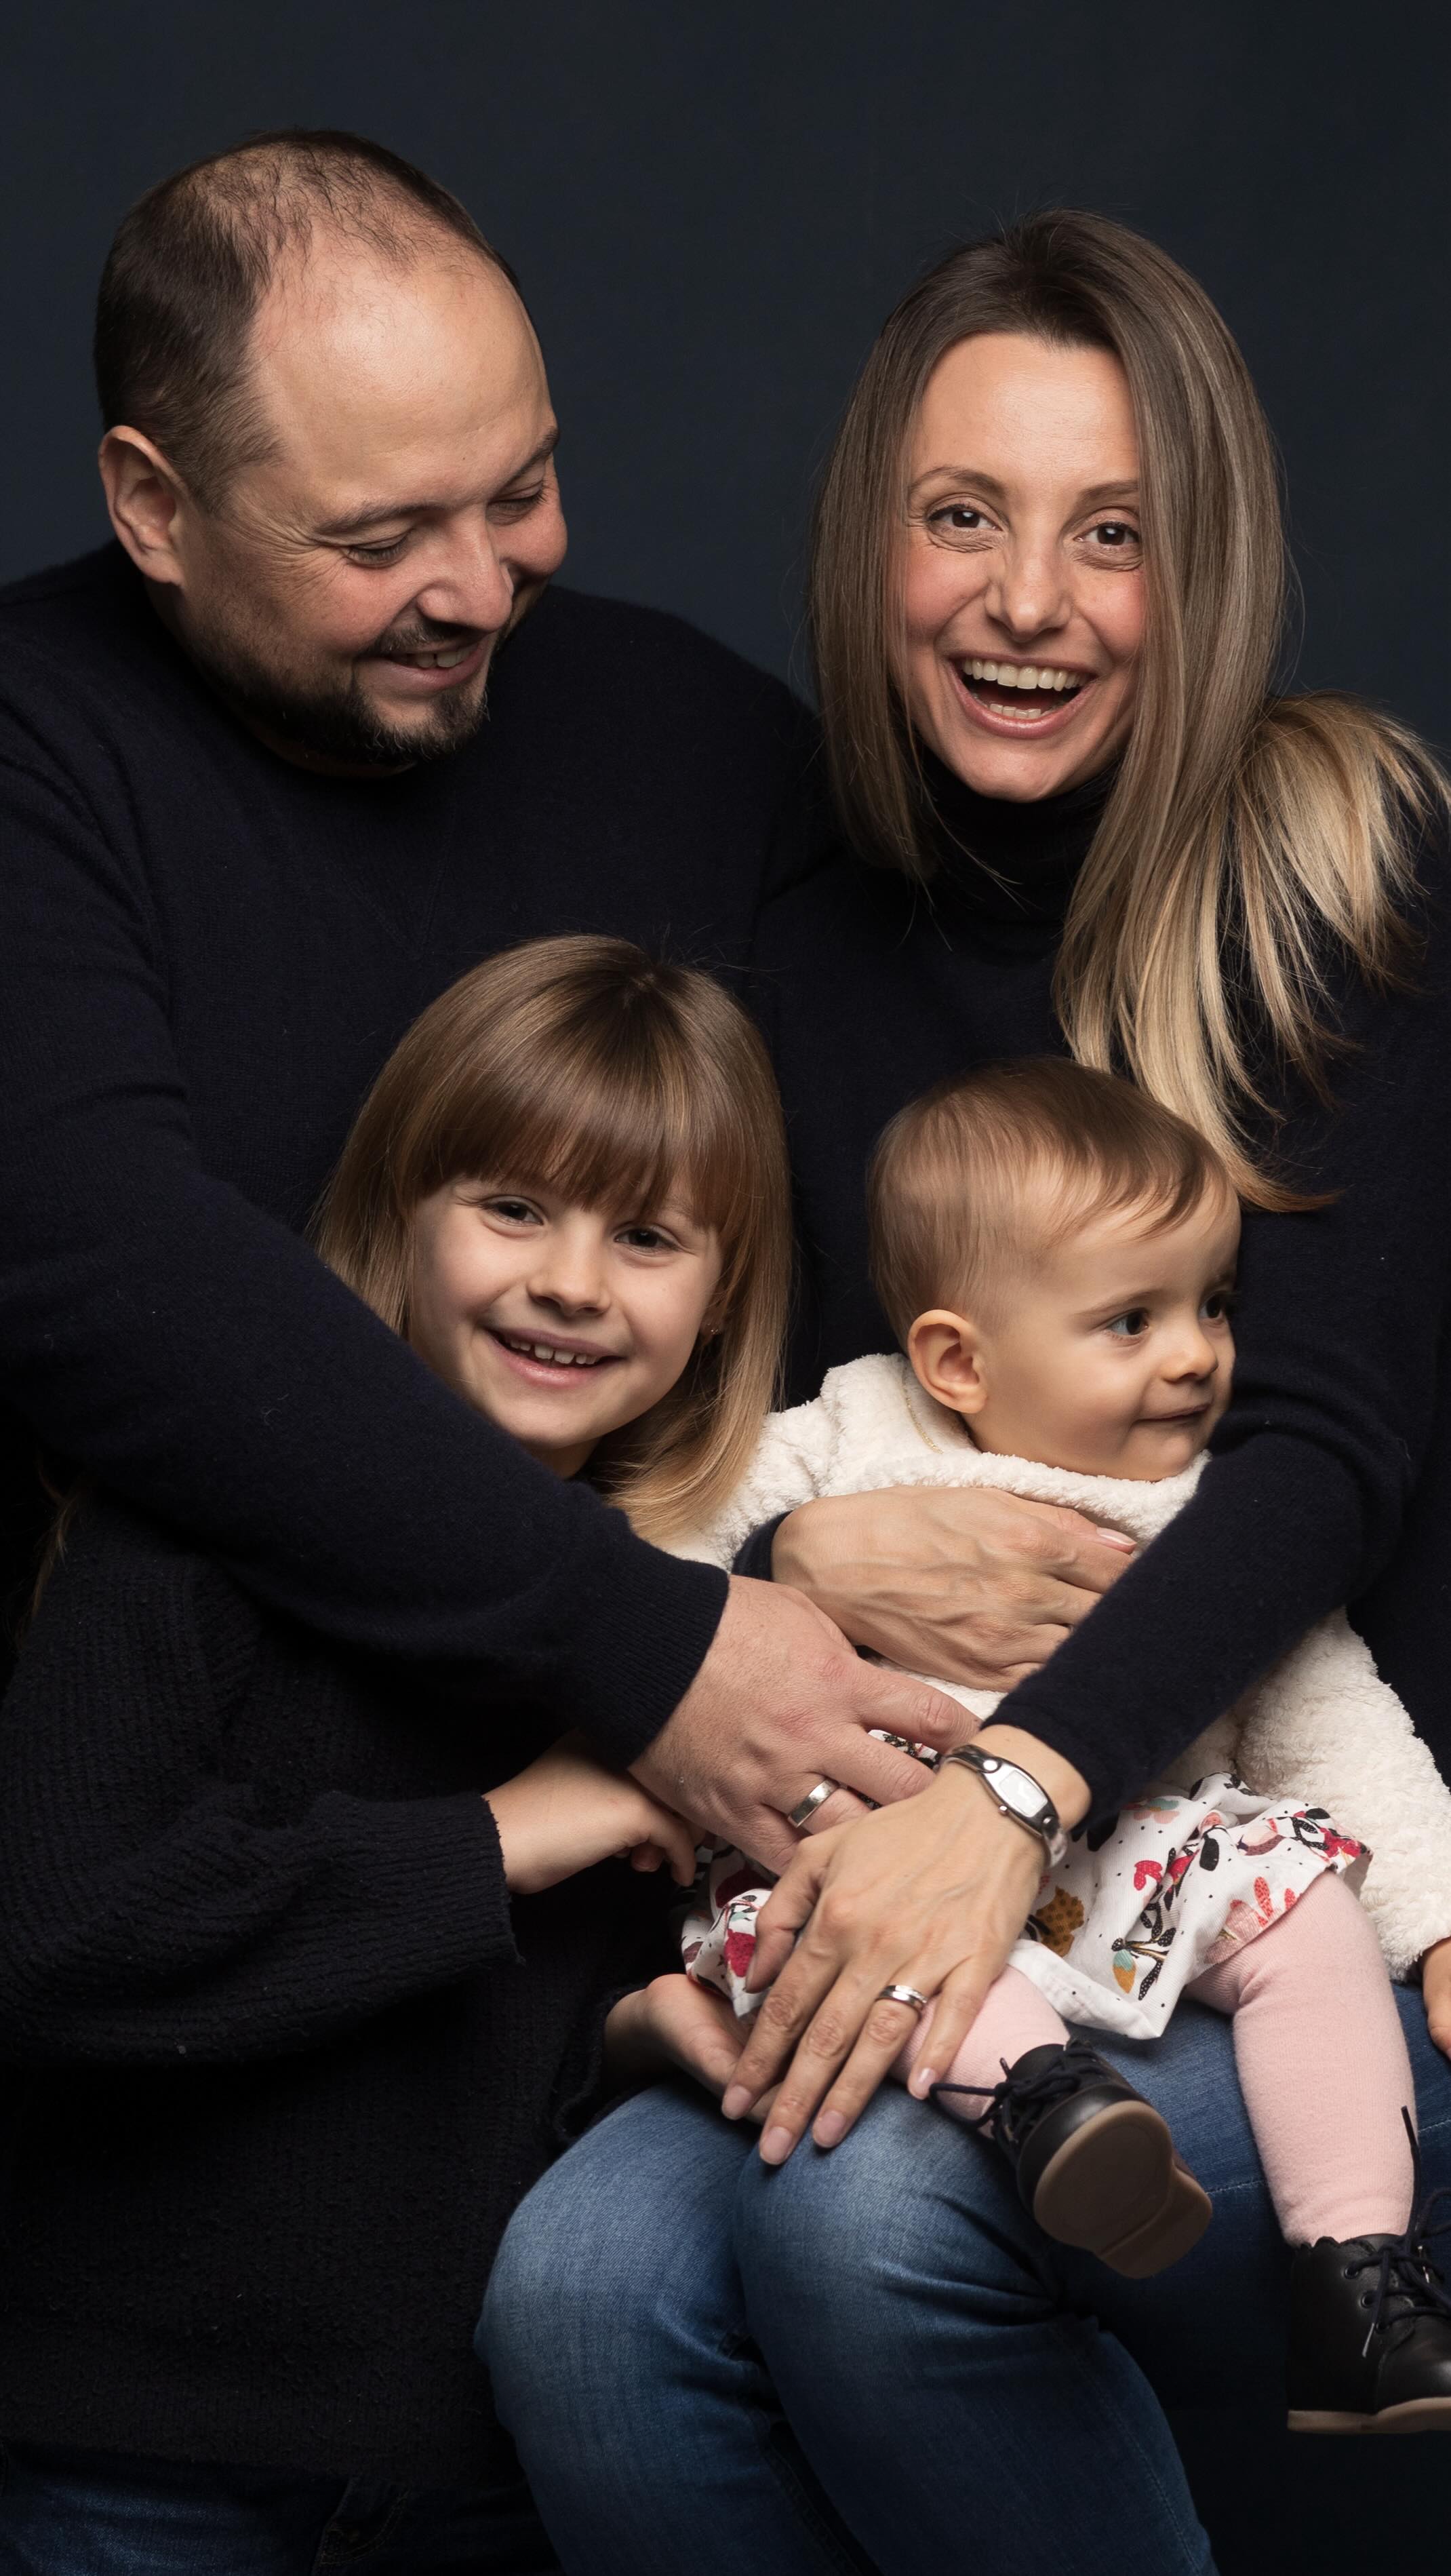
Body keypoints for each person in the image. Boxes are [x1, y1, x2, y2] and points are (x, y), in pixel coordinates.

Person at [482, 212, 1451, 2575]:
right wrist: (808, 1563)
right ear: (876, 542)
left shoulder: (1327, 867)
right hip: (916, 1868)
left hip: (1285, 1864)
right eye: (965, 515)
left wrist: (1014, 1784)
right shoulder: (792, 939)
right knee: (575, 2294)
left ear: (1192, 566)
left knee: (869, 2234)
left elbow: (1321, 1455)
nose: (1029, 599)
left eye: (1110, 531)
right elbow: (764, 1441)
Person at [1, 127, 1087, 1896]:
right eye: (380, 536)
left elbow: (895, 1234)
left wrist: (796, 1541)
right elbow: (116, 1284)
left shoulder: (693, 741)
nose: (486, 584)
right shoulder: (40, 754)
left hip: (664, 1928)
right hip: (210, 1885)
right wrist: (653, 1642)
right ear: (155, 507)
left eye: (520, 490)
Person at [0, 936, 804, 2570]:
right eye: (511, 1208)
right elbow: (57, 1945)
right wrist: (510, 1829)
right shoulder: (187, 1534)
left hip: (480, 2477)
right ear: (398, 1217)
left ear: (721, 1309)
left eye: (645, 1237)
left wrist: (639, 2044)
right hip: (142, 2448)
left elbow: (481, 2088)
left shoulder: (707, 1643)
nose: (572, 1281)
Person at [673, 1056, 1451, 2427]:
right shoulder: (847, 1435)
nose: (1199, 1352)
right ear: (956, 1359)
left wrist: (1439, 1925)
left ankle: (1357, 2277)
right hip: (876, 1867)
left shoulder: (1207, 1512)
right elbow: (658, 1576)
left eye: (1211, 1305)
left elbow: (1338, 1730)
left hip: (1123, 1867)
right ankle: (1053, 2112)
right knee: (845, 1906)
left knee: (1306, 1902)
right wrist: (776, 1559)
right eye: (1131, 1320)